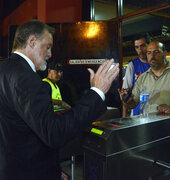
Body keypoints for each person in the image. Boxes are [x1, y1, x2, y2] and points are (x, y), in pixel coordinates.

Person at [0, 19, 119, 180]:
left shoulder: (5, 69)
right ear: (32, 41)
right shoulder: (25, 77)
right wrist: (97, 92)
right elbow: (54, 132)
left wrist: (51, 169)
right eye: (48, 47)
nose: (50, 54)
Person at [119, 41, 170, 170]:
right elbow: (133, 104)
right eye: (149, 53)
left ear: (165, 53)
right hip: (148, 137)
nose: (152, 56)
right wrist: (126, 100)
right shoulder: (143, 77)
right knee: (152, 172)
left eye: (156, 52)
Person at [122, 33, 151, 117]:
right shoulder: (132, 65)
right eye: (137, 47)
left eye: (143, 46)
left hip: (155, 111)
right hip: (137, 113)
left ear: (149, 45)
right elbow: (125, 93)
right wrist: (124, 118)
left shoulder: (157, 64)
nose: (140, 50)